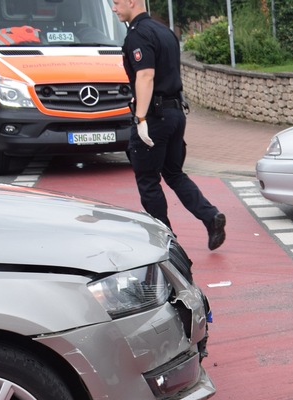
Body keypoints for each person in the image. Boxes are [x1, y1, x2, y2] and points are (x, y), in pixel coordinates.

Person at [111, 0, 226, 251]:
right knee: (174, 173)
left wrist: (140, 118)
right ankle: (210, 216)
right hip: (175, 113)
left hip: (155, 117)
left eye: (116, 3)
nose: (113, 8)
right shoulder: (165, 31)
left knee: (148, 180)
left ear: (131, 2)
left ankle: (165, 240)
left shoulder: (138, 34)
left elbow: (146, 74)